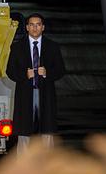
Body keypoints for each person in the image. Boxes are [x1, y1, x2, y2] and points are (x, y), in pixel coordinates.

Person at [5, 13, 65, 143]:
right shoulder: (17, 47)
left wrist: (47, 73)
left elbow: (61, 70)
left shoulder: (53, 47)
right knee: (24, 129)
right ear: (27, 27)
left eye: (38, 25)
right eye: (31, 25)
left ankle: (48, 161)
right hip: (25, 93)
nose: (35, 28)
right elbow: (10, 71)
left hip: (46, 93)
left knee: (47, 129)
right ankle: (23, 161)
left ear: (43, 27)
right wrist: (25, 75)